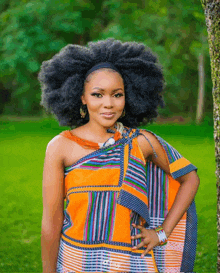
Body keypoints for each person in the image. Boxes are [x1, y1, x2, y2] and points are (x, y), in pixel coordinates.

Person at [39, 38, 200, 273]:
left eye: (117, 94)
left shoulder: (141, 142)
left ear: (128, 97)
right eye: (97, 94)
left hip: (131, 263)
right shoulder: (60, 147)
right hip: (76, 262)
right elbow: (50, 224)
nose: (109, 104)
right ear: (81, 97)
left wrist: (162, 233)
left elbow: (190, 178)